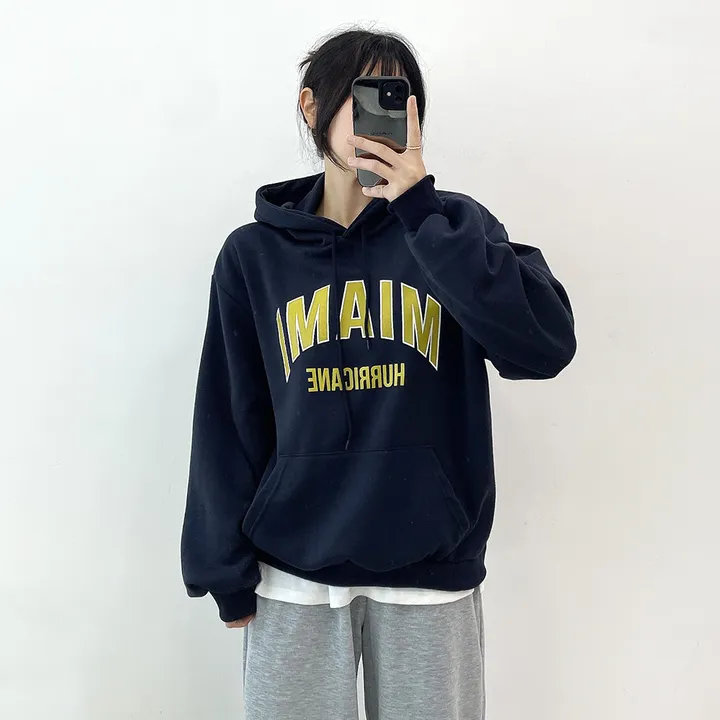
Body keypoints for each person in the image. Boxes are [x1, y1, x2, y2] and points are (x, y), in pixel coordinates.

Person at [181, 27, 576, 720]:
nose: (381, 116)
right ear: (311, 107)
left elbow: (543, 347)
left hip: (429, 572)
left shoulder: (452, 230)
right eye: (363, 95)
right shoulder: (253, 256)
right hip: (292, 574)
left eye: (398, 97)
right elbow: (228, 415)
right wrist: (222, 570)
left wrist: (421, 211)